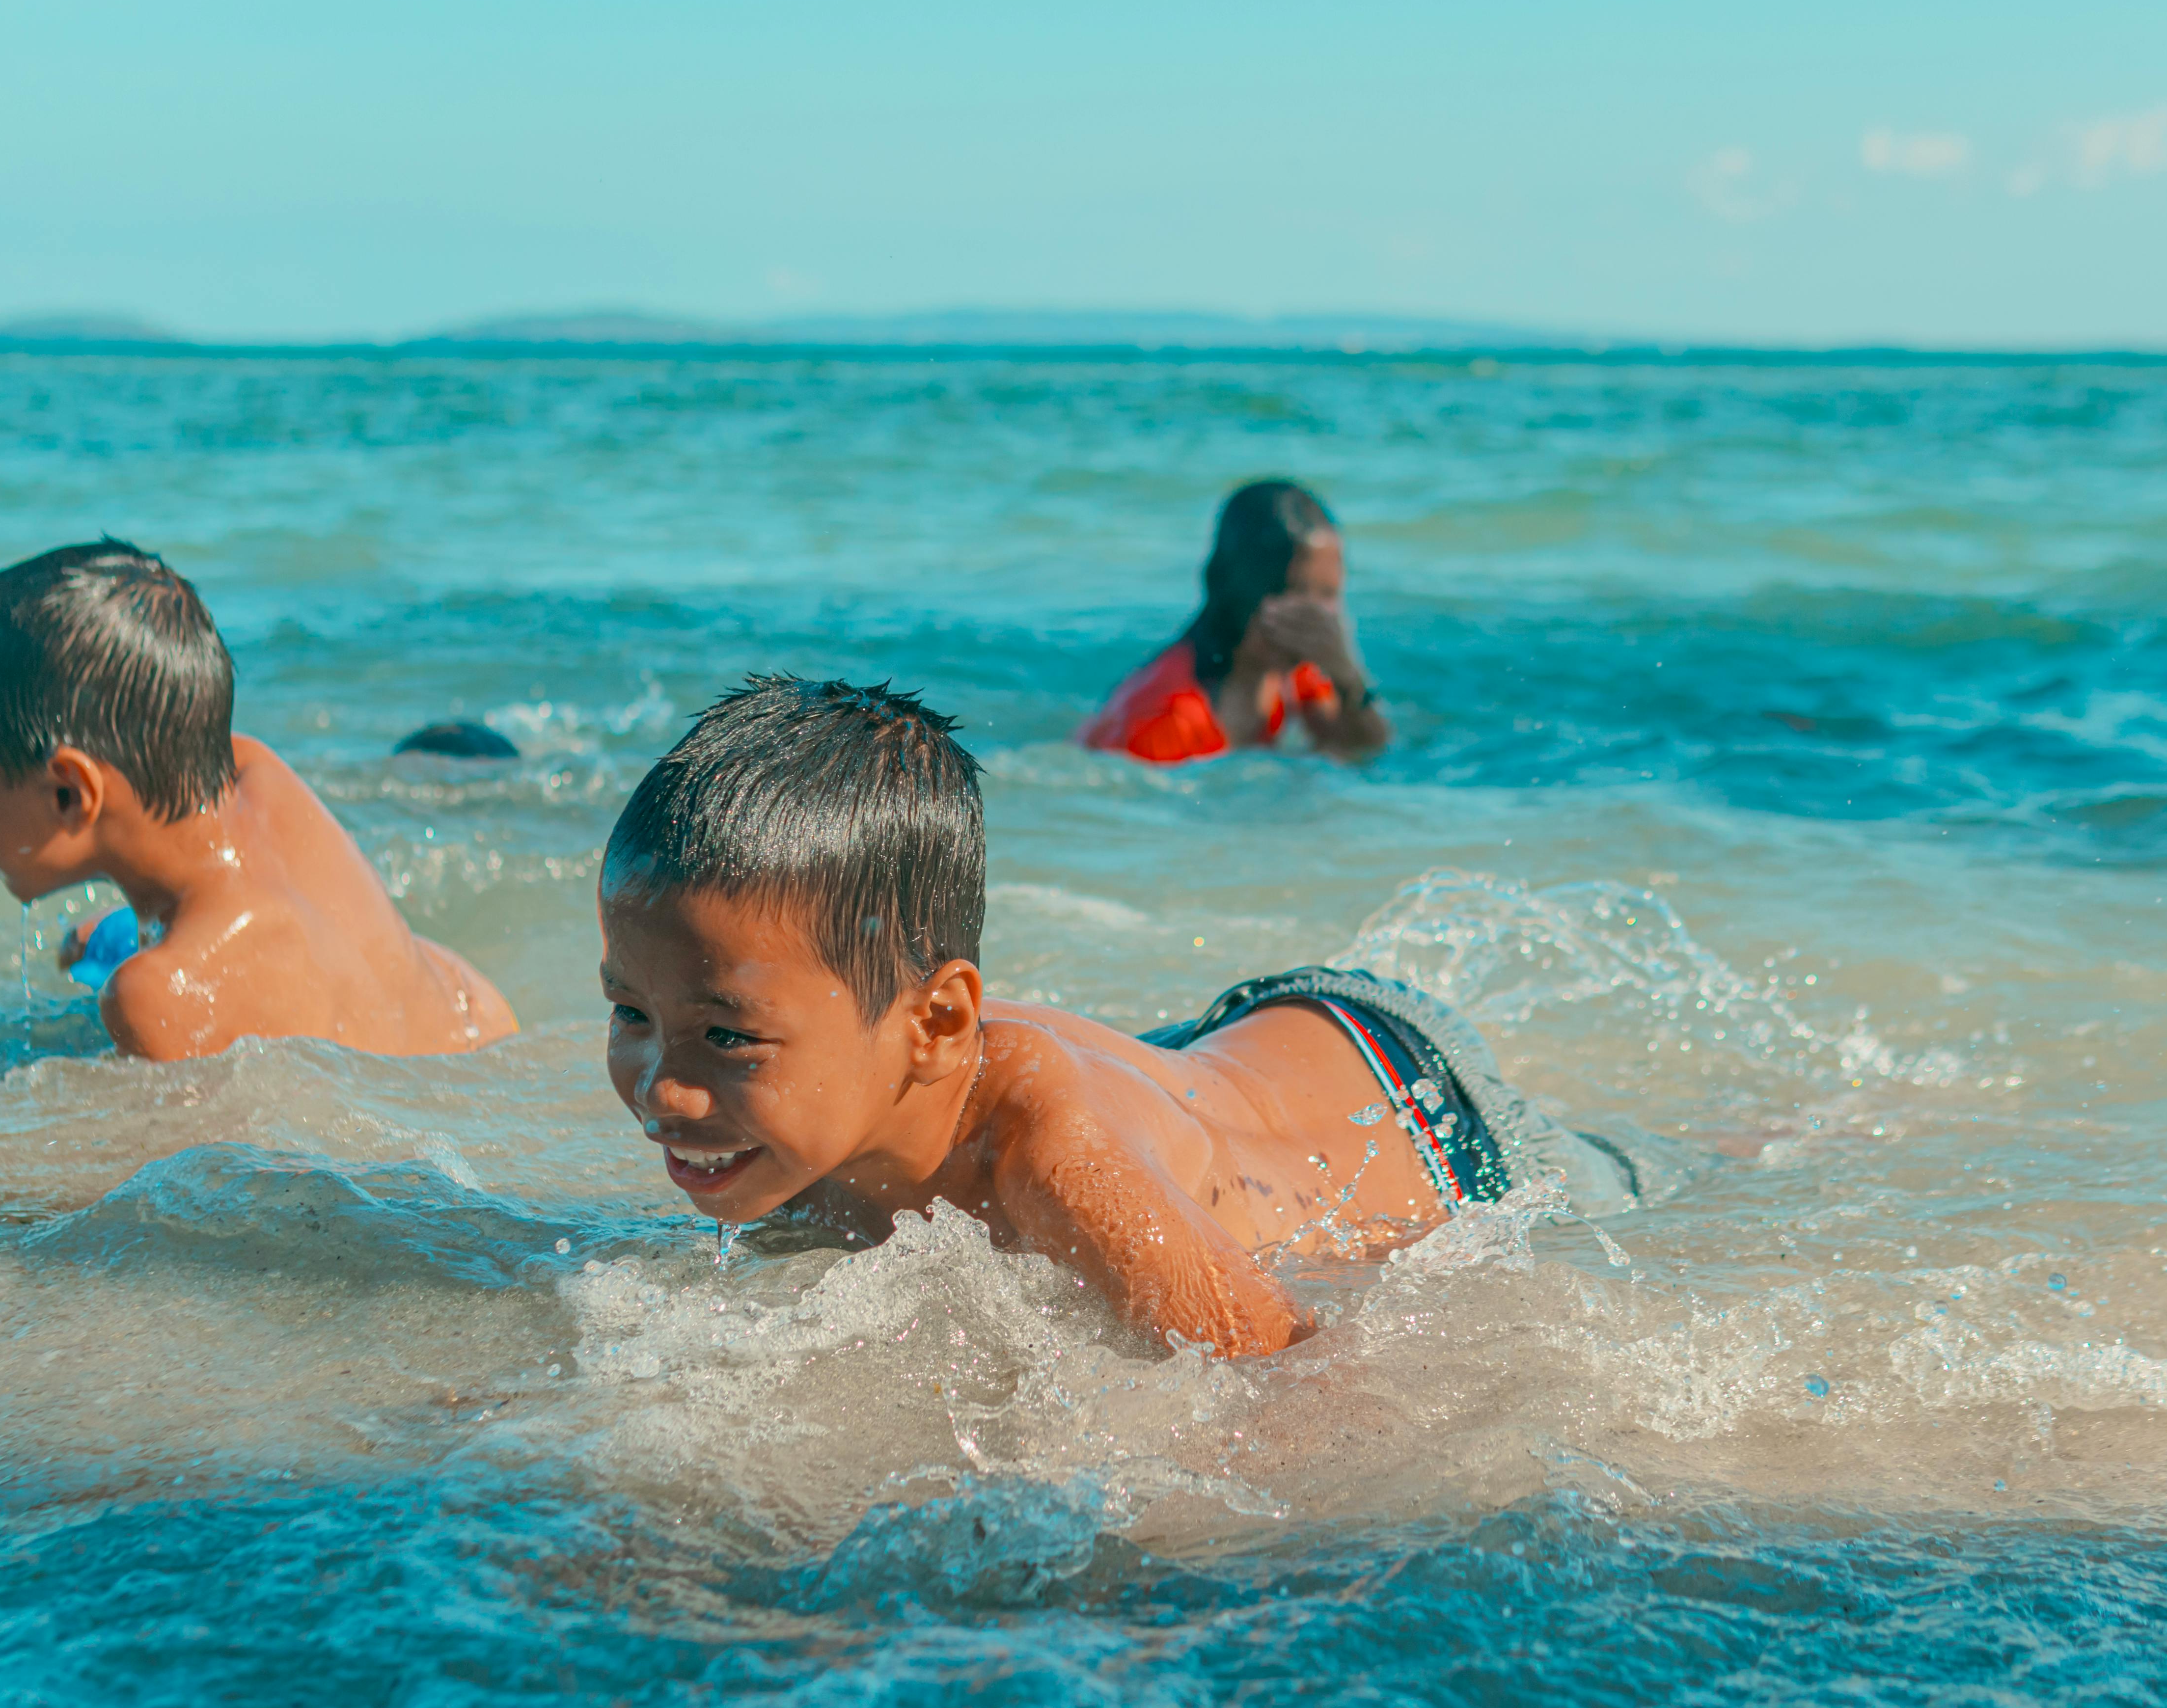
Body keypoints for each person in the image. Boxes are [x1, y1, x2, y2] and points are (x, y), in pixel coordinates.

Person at [599, 677, 1655, 1358]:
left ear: (936, 1022)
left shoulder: (1059, 1166)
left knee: (1648, 1179)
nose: (662, 1090)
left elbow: (1290, 1378)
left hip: (1416, 1111)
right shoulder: (813, 1101)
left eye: (726, 1036)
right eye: (631, 1011)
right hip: (1188, 1069)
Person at [0, 539, 518, 1061]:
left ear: (69, 794)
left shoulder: (156, 996)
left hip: (419, 1094)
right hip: (475, 1022)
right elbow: (129, 719)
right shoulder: (254, 769)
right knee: (99, 938)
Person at [1079, 479, 1389, 764]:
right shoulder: (1165, 720)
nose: (1316, 620)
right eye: (1294, 595)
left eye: (1328, 595)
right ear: (1237, 591)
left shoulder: (1295, 677)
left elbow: (1365, 752)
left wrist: (1347, 676)